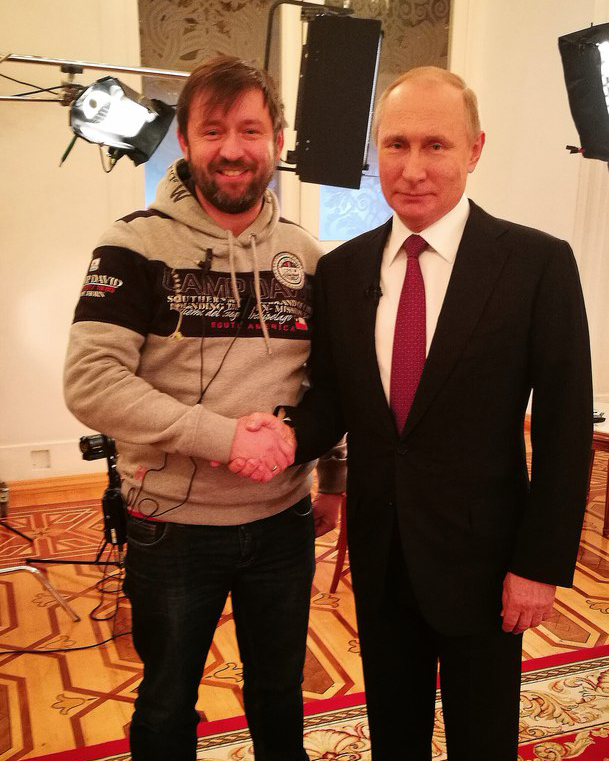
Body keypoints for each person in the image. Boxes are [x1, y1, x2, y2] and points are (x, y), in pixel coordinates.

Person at [233, 67, 593, 760]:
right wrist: (284, 434)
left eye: (436, 145)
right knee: (393, 735)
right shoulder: (342, 271)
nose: (413, 168)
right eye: (396, 144)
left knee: (482, 739)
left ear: (474, 150)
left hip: (486, 561)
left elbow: (564, 429)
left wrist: (539, 565)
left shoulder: (536, 264)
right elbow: (334, 398)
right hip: (381, 552)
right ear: (377, 151)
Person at [63, 55, 344, 761]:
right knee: (166, 700)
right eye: (212, 131)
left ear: (277, 140)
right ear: (185, 141)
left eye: (249, 130)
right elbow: (91, 380)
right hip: (171, 528)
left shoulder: (307, 256)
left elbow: (327, 381)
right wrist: (225, 438)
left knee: (279, 689)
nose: (232, 149)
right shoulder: (132, 244)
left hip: (283, 521)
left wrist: (334, 478)